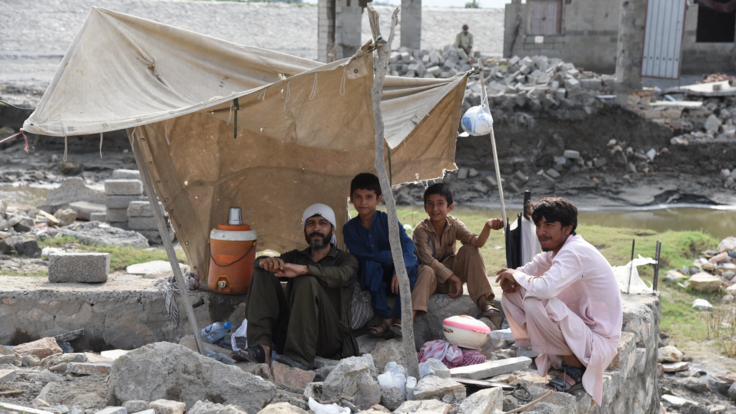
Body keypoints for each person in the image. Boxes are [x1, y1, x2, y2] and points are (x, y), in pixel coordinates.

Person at [495, 197, 622, 406]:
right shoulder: (556, 252)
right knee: (512, 294)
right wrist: (514, 277)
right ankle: (551, 353)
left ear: (567, 228)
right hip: (580, 332)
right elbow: (529, 270)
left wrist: (516, 277)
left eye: (549, 225)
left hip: (597, 343)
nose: (541, 231)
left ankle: (574, 368)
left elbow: (545, 288)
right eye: (538, 225)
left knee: (536, 300)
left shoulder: (574, 251)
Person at [237, 203, 359, 370]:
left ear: (332, 230)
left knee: (306, 280)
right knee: (262, 273)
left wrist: (305, 269)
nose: (316, 228)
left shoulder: (346, 260)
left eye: (323, 223)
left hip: (330, 339)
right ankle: (261, 349)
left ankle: (299, 358)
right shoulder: (296, 256)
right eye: (311, 223)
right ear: (304, 231)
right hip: (290, 334)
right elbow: (260, 264)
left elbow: (341, 275)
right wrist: (266, 261)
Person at [342, 173, 431, 337]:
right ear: (351, 199)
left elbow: (407, 245)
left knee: (408, 267)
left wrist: (398, 267)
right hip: (373, 279)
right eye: (358, 197)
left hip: (396, 277)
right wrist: (391, 258)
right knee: (371, 265)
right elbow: (362, 256)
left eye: (369, 197)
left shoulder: (388, 221)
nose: (363, 202)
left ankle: (402, 319)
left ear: (378, 199)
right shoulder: (349, 229)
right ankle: (386, 318)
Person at [412, 183, 504, 326]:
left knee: (470, 249)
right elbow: (428, 260)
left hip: (450, 280)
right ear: (425, 208)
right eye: (430, 204)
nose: (435, 208)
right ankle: (408, 318)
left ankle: (484, 302)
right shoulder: (420, 230)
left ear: (450, 207)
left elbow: (476, 242)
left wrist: (487, 226)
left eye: (440, 203)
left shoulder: (454, 224)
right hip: (431, 280)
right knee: (427, 269)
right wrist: (455, 278)